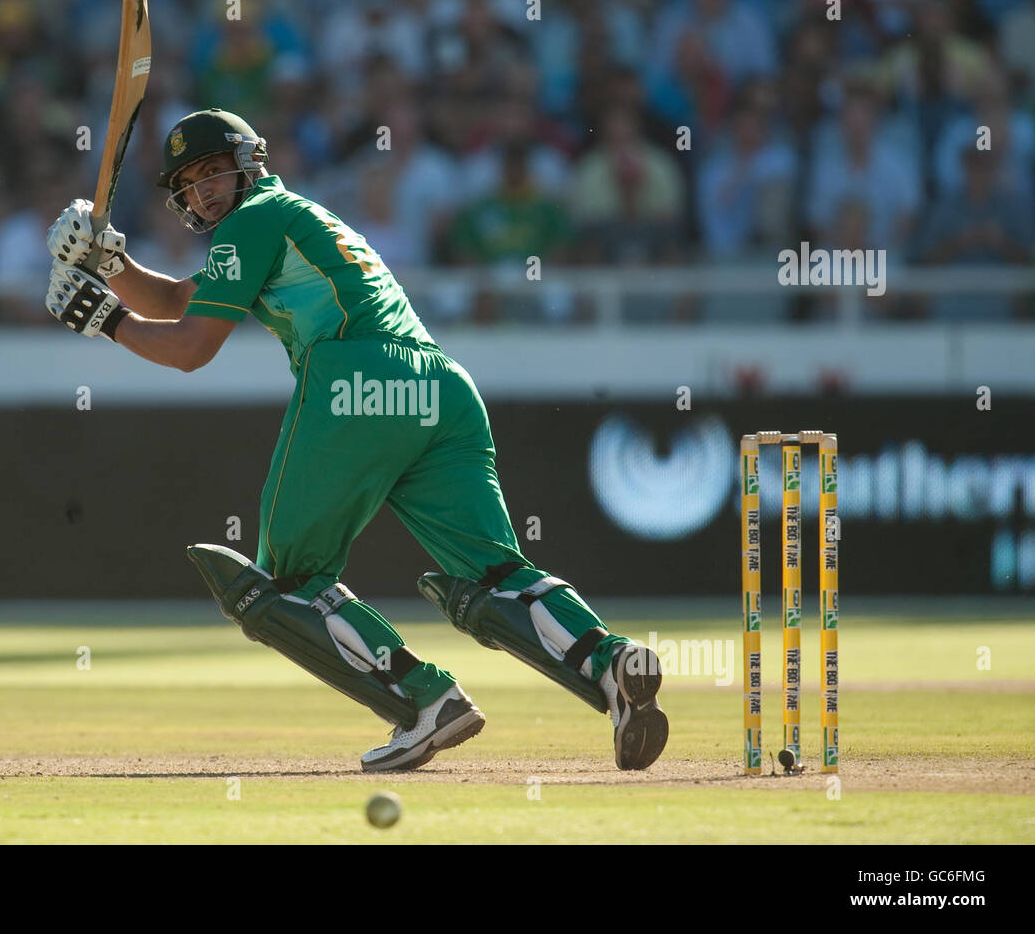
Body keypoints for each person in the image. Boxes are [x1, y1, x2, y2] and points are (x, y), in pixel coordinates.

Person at [43, 107, 668, 772]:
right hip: (439, 389)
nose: (203, 192)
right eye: (190, 184)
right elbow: (177, 301)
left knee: (282, 587)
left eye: (212, 173)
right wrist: (111, 262)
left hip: (353, 378)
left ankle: (425, 702)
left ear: (248, 163)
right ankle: (611, 667)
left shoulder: (252, 220)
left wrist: (100, 318)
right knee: (496, 576)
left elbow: (191, 347)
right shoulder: (283, 219)